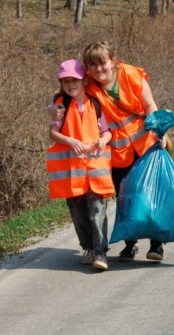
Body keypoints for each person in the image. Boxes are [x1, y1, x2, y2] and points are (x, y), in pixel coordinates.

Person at [49, 42, 170, 263]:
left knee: (149, 194)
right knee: (125, 197)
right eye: (92, 65)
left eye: (102, 63)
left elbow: (150, 106)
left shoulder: (131, 75)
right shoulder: (90, 86)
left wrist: (159, 132)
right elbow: (62, 92)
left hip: (145, 144)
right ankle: (130, 244)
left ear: (112, 61)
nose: (98, 69)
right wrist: (51, 107)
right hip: (118, 152)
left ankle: (156, 243)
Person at [47, 59, 114, 270]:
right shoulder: (61, 105)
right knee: (78, 212)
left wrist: (103, 141)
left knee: (97, 209)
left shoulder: (96, 103)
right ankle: (88, 247)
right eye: (65, 81)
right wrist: (69, 140)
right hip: (73, 170)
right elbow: (52, 133)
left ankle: (101, 252)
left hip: (95, 168)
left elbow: (107, 131)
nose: (70, 84)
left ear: (84, 80)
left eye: (74, 79)